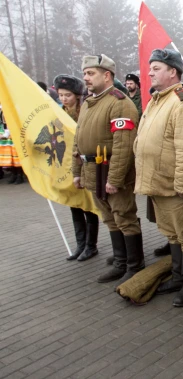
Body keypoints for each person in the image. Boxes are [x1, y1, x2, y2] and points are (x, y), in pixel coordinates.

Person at [133, 49, 183, 307]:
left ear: (172, 71)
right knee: (172, 235)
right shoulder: (156, 100)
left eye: (156, 68)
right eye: (150, 67)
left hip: (176, 186)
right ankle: (176, 277)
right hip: (159, 182)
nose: (150, 71)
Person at [72, 54, 144, 285]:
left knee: (124, 216)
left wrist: (114, 179)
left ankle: (135, 266)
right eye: (85, 73)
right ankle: (121, 262)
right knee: (109, 218)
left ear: (107, 75)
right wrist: (76, 172)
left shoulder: (119, 103)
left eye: (91, 73)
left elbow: (123, 147)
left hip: (111, 171)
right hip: (93, 171)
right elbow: (78, 140)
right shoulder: (88, 103)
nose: (86, 78)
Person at [54, 74, 100, 261]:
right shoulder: (58, 114)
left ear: (77, 96)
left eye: (68, 95)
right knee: (74, 206)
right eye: (61, 95)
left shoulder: (85, 111)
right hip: (67, 166)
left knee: (89, 207)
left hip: (84, 165)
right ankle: (80, 244)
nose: (64, 99)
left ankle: (91, 246)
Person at [0, 105, 24, 184]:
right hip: (8, 136)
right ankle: (14, 174)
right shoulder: (2, 109)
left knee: (17, 157)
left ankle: (19, 175)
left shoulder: (12, 107)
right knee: (11, 157)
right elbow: (5, 124)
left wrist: (6, 134)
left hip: (15, 135)